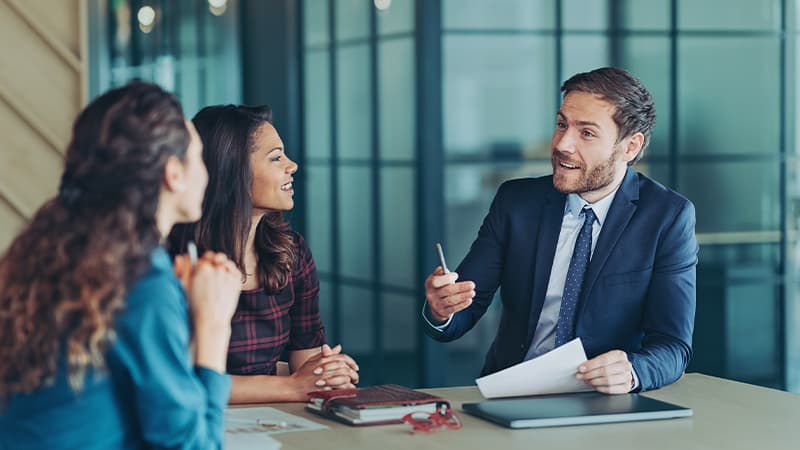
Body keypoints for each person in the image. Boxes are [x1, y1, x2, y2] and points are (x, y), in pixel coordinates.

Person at [423, 67, 697, 394]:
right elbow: (464, 308)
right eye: (562, 124)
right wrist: (442, 310)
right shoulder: (516, 202)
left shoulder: (667, 217)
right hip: (511, 394)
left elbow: (672, 346)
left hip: (604, 403)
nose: (563, 144)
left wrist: (632, 371)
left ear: (630, 147)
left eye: (587, 133)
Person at [0, 81, 242, 449]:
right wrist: (213, 325)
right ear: (173, 173)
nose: (206, 173)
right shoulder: (143, 280)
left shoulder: (53, 255)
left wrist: (187, 327)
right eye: (200, 157)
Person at [169, 105, 359, 404]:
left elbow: (305, 360)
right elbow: (175, 381)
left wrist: (326, 372)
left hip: (276, 424)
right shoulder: (175, 260)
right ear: (233, 170)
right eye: (276, 157)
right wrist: (292, 386)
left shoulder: (291, 251)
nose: (292, 165)